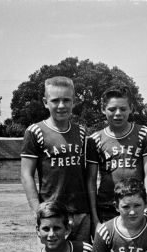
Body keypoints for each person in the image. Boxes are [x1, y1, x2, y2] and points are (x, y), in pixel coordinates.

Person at [20, 76, 91, 242]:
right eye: (55, 100)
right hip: (52, 214)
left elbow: (85, 173)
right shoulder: (35, 131)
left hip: (81, 212)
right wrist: (37, 210)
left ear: (73, 102)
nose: (61, 106)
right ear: (45, 102)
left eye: (66, 100)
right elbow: (26, 175)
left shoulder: (81, 132)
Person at [86, 86, 147, 227]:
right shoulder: (95, 139)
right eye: (112, 109)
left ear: (131, 108)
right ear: (103, 109)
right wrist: (94, 218)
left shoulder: (143, 133)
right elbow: (91, 180)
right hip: (106, 207)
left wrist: (146, 208)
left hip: (135, 207)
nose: (118, 114)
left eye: (123, 109)